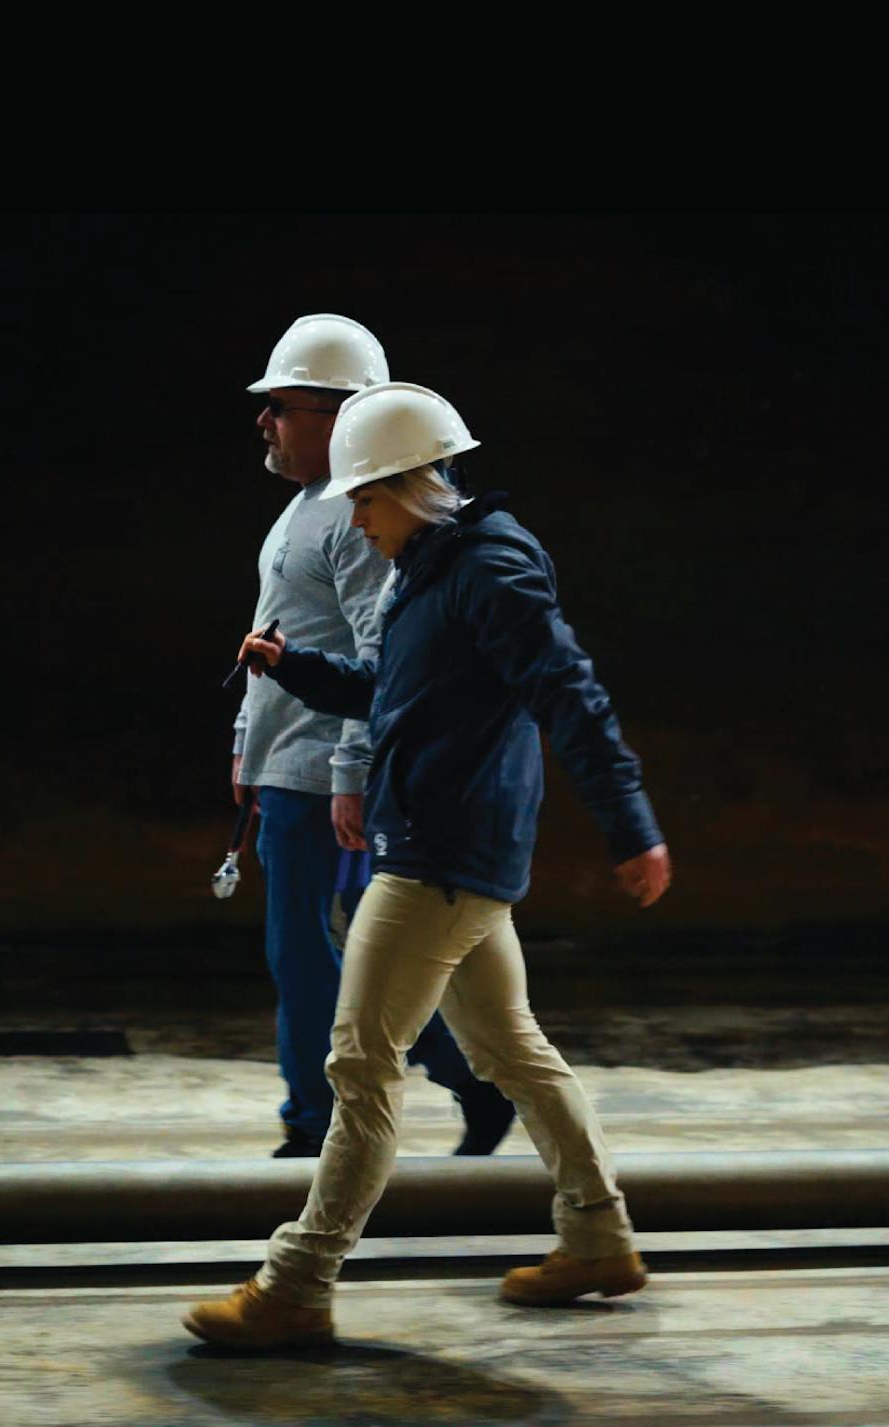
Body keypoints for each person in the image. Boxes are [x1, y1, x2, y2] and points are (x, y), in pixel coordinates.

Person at [187, 381, 672, 1349]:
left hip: (441, 856)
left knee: (359, 1062)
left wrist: (630, 824)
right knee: (514, 1050)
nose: (353, 519)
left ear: (409, 484)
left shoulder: (488, 568)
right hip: (450, 849)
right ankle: (597, 1235)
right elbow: (388, 692)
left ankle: (295, 1281)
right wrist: (293, 668)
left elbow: (568, 691)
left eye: (362, 499)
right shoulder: (427, 565)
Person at [235, 316, 515, 1160]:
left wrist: (352, 769)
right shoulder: (303, 510)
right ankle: (469, 1076)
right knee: (326, 953)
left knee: (311, 957)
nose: (265, 421)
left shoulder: (354, 517)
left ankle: (314, 1126)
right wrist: (249, 751)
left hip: (327, 778)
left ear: (338, 414)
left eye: (281, 405)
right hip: (293, 770)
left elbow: (377, 653)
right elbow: (276, 631)